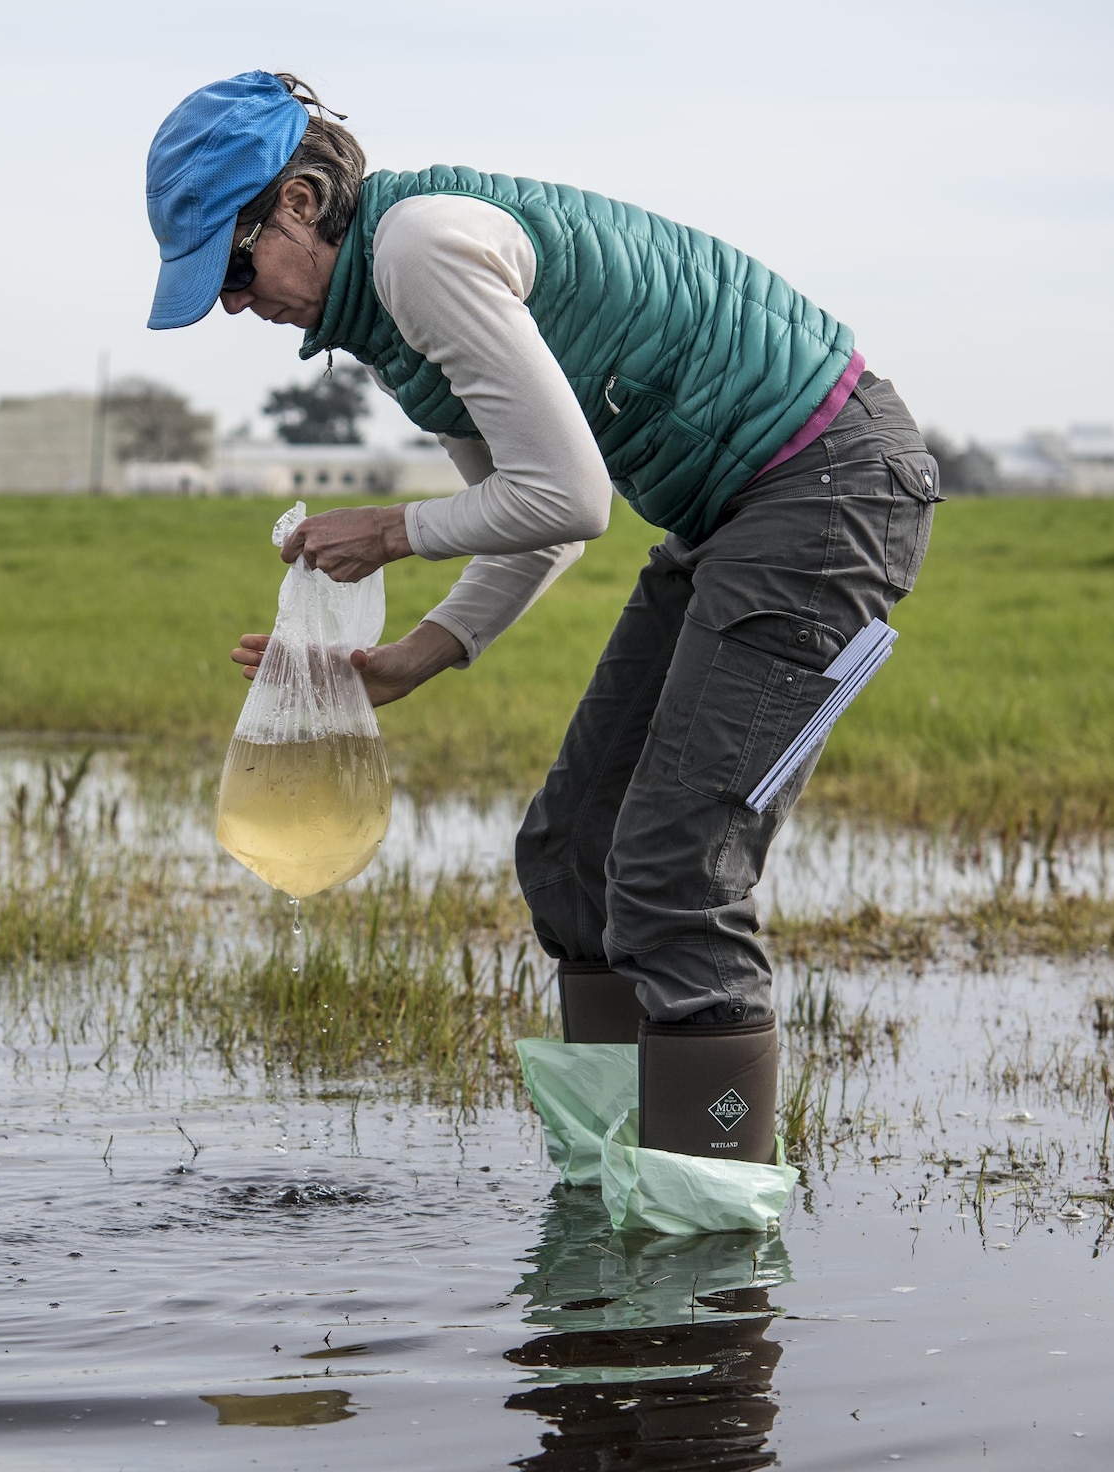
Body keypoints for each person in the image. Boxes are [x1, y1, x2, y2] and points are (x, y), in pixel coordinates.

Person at [145, 71, 938, 1165]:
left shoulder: (418, 250)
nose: (234, 304)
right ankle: (613, 1183)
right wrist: (410, 659)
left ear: (300, 200)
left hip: (827, 493)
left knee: (670, 872)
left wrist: (387, 530)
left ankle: (702, 1259)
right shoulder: (389, 308)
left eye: (232, 268)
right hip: (729, 514)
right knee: (570, 856)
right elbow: (539, 520)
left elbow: (570, 496)